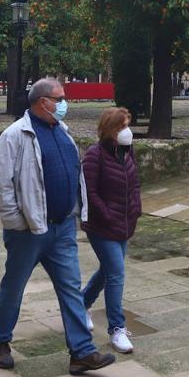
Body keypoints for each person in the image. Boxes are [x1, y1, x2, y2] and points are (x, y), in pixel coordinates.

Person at [0, 77, 115, 376]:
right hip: (28, 232)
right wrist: (18, 222)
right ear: (43, 101)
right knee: (14, 288)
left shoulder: (63, 133)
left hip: (62, 229)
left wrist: (78, 211)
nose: (64, 104)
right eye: (60, 99)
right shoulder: (15, 135)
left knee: (71, 288)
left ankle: (82, 352)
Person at [82, 107, 142, 354]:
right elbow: (90, 192)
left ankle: (80, 305)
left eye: (128, 125)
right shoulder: (94, 155)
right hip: (102, 227)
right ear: (110, 130)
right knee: (116, 273)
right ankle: (117, 329)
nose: (127, 131)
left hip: (124, 223)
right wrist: (107, 215)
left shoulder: (126, 152)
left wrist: (136, 209)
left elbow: (134, 183)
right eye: (121, 127)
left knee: (107, 271)